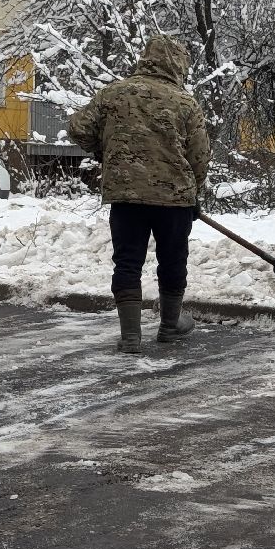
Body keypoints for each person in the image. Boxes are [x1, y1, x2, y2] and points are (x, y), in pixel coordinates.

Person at [66, 35, 210, 352]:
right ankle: (170, 326)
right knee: (173, 261)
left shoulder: (114, 93)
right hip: (174, 198)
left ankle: (130, 337)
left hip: (126, 195)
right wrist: (194, 194)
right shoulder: (185, 103)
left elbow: (77, 127)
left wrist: (106, 151)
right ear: (177, 64)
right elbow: (199, 156)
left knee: (127, 263)